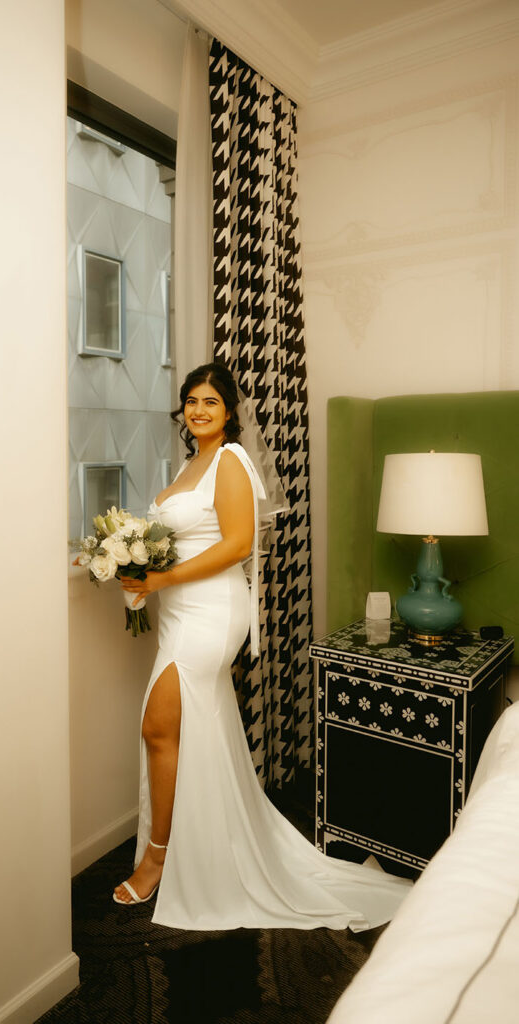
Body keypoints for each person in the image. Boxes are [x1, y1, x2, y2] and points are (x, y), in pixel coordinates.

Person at [115, 362, 411, 929]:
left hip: (210, 610)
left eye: (210, 401)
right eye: (191, 401)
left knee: (159, 725)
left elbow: (237, 545)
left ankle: (158, 858)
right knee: (186, 730)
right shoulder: (189, 464)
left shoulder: (230, 459)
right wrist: (132, 565)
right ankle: (195, 848)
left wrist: (159, 579)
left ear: (229, 412)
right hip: (178, 610)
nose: (199, 410)